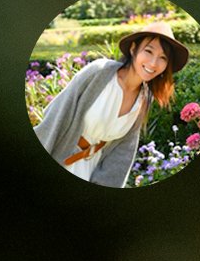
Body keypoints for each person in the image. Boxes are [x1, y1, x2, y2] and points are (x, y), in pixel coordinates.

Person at [33, 17, 190, 188]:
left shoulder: (144, 99)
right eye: (148, 51)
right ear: (133, 49)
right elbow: (56, 115)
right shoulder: (100, 72)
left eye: (163, 57)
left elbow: (123, 153)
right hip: (60, 157)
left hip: (90, 172)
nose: (153, 63)